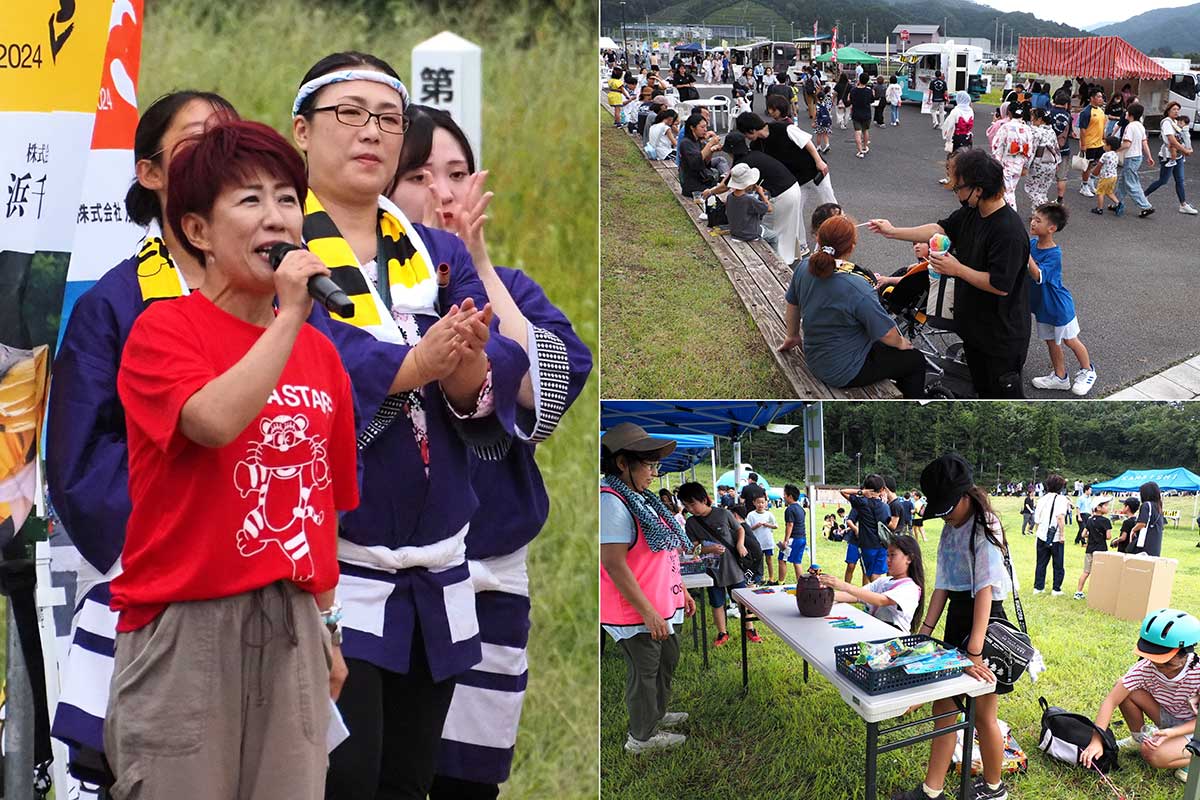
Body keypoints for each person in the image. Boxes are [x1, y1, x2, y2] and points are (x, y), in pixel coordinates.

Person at [289, 52, 528, 800]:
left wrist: (459, 367)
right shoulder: (280, 248)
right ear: (302, 130)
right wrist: (410, 365)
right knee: (339, 778)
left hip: (434, 571)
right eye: (349, 114)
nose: (372, 133)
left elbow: (500, 366)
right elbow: (303, 358)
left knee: (406, 780)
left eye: (387, 119)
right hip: (332, 572)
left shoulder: (438, 252)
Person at [103, 119, 359, 799]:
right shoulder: (163, 331)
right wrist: (287, 320)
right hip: (187, 628)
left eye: (285, 198)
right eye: (249, 200)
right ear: (197, 230)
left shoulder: (322, 355)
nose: (275, 216)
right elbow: (214, 422)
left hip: (295, 625)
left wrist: (330, 628)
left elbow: (321, 500)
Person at [389, 106, 593, 797]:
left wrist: (474, 265)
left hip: (489, 573)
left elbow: (550, 387)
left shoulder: (513, 288)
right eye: (418, 175)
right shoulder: (350, 300)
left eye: (455, 173)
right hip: (382, 579)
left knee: (468, 778)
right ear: (381, 189)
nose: (442, 194)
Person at [45, 89, 239, 789]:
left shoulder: (279, 297)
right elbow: (77, 461)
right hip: (162, 584)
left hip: (267, 587)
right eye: (194, 141)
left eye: (230, 138)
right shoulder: (115, 302)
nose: (218, 155)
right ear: (150, 174)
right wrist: (174, 536)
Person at [870, 149, 1031, 398]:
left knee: (1001, 397)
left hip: (1000, 338)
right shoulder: (973, 212)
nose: (956, 193)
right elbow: (940, 228)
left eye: (958, 188)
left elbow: (1001, 285)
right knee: (981, 389)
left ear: (978, 189)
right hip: (976, 329)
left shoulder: (1007, 231)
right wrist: (892, 231)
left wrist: (957, 269)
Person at [896, 455, 1010, 800]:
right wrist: (925, 633)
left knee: (983, 715)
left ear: (965, 496)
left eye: (948, 507)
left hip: (986, 623)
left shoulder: (985, 523)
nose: (944, 514)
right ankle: (932, 791)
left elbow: (986, 591)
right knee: (943, 707)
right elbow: (943, 587)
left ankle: (994, 788)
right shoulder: (949, 528)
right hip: (959, 620)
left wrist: (974, 651)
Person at [600, 425, 695, 754]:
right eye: (649, 464)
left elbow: (663, 552)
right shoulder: (611, 503)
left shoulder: (641, 498)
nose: (655, 473)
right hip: (638, 611)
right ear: (623, 463)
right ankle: (641, 737)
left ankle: (656, 714)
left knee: (666, 661)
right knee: (645, 673)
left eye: (657, 465)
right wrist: (647, 612)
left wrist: (680, 588)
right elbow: (613, 563)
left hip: (663, 601)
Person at [785, 214, 927, 397]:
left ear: (818, 240)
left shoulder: (804, 267)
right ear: (851, 248)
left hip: (815, 358)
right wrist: (901, 343)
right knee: (915, 361)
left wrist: (792, 335)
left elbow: (792, 303)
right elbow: (886, 334)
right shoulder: (857, 286)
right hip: (843, 372)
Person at [1080, 609, 1200, 785]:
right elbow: (1111, 700)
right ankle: (1138, 739)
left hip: (1194, 729)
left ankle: (1193, 760)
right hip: (1170, 717)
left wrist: (1172, 733)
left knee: (1153, 755)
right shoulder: (1146, 668)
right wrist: (1096, 740)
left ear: (1186, 652)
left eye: (1167, 662)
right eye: (1153, 658)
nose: (1158, 666)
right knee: (1124, 688)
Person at [735, 112, 836, 251]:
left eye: (746, 134)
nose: (746, 138)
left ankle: (838, 236)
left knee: (830, 205)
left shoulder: (783, 128)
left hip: (816, 173)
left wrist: (818, 160)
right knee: (796, 210)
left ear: (751, 129)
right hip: (797, 181)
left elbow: (806, 141)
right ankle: (801, 244)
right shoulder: (756, 145)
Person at [678, 486, 764, 646]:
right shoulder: (691, 523)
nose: (690, 509)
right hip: (712, 569)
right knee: (717, 602)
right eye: (686, 505)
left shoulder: (723, 514)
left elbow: (740, 529)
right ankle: (722, 632)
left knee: (742, 599)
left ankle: (750, 629)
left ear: (704, 499)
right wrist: (708, 549)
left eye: (692, 504)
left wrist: (740, 545)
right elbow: (692, 548)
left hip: (733, 566)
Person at [1025, 203, 1095, 396]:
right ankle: (1060, 377)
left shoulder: (1054, 254)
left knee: (1070, 340)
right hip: (1043, 307)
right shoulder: (1031, 244)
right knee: (1050, 341)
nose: (1032, 222)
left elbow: (1038, 276)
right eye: (1033, 218)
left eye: (1038, 220)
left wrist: (1025, 254)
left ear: (1051, 228)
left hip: (1059, 307)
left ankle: (1088, 371)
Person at [712, 131, 803, 263]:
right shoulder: (752, 155)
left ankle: (779, 263)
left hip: (784, 194)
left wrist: (710, 192)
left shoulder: (743, 165)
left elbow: (724, 186)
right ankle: (786, 258)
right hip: (791, 187)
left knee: (777, 230)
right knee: (785, 229)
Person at [819, 534, 925, 633]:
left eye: (893, 555)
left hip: (893, 642)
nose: (887, 560)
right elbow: (857, 596)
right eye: (887, 555)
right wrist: (823, 596)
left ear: (909, 558)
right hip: (875, 635)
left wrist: (844, 585)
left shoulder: (910, 588)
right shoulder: (883, 581)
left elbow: (881, 600)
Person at [1145, 101, 1197, 215]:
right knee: (1163, 180)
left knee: (1180, 180)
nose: (1176, 111)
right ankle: (1143, 196)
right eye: (1174, 109)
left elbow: (1181, 137)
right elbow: (1172, 140)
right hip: (1168, 156)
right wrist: (1185, 151)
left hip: (1178, 155)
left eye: (1178, 109)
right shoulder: (1167, 122)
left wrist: (1186, 149)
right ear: (1168, 111)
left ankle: (1183, 204)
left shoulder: (1175, 122)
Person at [840, 475, 893, 583]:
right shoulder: (885, 507)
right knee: (876, 575)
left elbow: (843, 491)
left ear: (865, 488)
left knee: (869, 574)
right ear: (882, 489)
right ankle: (874, 596)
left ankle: (872, 596)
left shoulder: (861, 504)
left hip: (867, 545)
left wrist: (862, 493)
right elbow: (889, 524)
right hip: (882, 545)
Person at [1114, 102, 1156, 218]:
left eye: (1127, 111)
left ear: (1130, 114)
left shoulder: (1130, 126)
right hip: (1138, 157)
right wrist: (1149, 156)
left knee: (1131, 183)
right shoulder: (1140, 126)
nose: (1125, 113)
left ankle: (1146, 206)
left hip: (1131, 157)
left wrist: (1115, 149)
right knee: (1123, 181)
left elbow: (1127, 144)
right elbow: (1144, 143)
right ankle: (1117, 202)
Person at [989, 102, 1033, 210]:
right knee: (1011, 188)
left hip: (1005, 162)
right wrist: (1026, 165)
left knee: (1006, 191)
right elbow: (1030, 149)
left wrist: (996, 162)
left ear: (1009, 113)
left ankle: (1010, 213)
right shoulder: (1027, 129)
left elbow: (996, 146)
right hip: (1019, 162)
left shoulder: (1006, 127)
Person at [1032, 473, 1071, 595]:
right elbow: (1060, 517)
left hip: (1042, 535)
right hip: (1055, 536)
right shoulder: (1062, 499)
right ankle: (1056, 588)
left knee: (1041, 563)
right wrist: (1062, 535)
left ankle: (1038, 587)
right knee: (1058, 563)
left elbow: (1036, 520)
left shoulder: (1042, 499)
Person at [1075, 496, 1113, 599]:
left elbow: (1083, 534)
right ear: (1098, 508)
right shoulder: (1106, 521)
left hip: (1090, 549)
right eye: (1105, 505)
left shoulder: (1089, 520)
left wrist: (1091, 535)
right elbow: (1108, 537)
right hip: (1101, 550)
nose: (1107, 507)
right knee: (1100, 572)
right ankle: (1097, 593)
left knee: (1086, 572)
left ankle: (1078, 591)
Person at [1024, 108, 1060, 208]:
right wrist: (1057, 162)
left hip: (1038, 164)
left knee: (1031, 189)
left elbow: (1032, 150)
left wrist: (1025, 166)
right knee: (1043, 190)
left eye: (1033, 116)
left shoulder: (1036, 132)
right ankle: (1038, 213)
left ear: (1039, 119)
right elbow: (1056, 148)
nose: (1031, 119)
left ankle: (1044, 208)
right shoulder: (1051, 131)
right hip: (1051, 163)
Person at [678, 113, 720, 197]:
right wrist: (710, 144)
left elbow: (704, 163)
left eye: (706, 127)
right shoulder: (686, 143)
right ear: (692, 127)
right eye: (702, 127)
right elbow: (695, 162)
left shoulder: (697, 141)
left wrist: (711, 151)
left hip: (701, 180)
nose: (705, 130)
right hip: (692, 185)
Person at [939, 92, 975, 183]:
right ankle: (963, 179)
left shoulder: (956, 111)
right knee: (966, 158)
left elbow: (949, 126)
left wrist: (947, 137)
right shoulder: (970, 111)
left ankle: (951, 179)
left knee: (952, 158)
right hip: (968, 137)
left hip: (957, 137)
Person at [1078, 89, 1107, 197]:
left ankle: (1090, 181)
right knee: (1088, 166)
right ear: (1092, 98)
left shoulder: (1100, 111)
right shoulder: (1086, 112)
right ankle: (1084, 186)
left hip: (1100, 143)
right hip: (1090, 143)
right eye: (1099, 97)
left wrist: (1104, 138)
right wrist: (1083, 144)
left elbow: (1102, 126)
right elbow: (1082, 129)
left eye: (1101, 97)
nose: (1101, 99)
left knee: (1099, 163)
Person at [1047, 90, 1074, 204]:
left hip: (1049, 150)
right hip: (1064, 149)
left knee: (1045, 175)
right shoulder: (1068, 116)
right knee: (1061, 177)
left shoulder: (1048, 114)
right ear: (1066, 104)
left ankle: (1042, 198)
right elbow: (1071, 134)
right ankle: (1060, 199)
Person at [746, 494, 778, 584]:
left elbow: (776, 526)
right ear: (754, 503)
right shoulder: (751, 515)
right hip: (757, 543)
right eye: (758, 502)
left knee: (769, 560)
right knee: (759, 560)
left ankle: (771, 577)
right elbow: (747, 528)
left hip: (767, 542)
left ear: (766, 503)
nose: (760, 505)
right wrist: (755, 526)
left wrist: (767, 525)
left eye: (762, 502)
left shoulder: (769, 514)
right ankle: (761, 576)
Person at [1128, 481, 1165, 557]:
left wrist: (1133, 530)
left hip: (1145, 542)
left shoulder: (1146, 505)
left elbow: (1142, 523)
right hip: (1155, 543)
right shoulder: (1159, 507)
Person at [782, 484, 807, 582]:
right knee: (797, 562)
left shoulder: (790, 509)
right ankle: (801, 584)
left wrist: (786, 541)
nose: (783, 496)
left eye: (785, 494)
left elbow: (790, 525)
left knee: (782, 559)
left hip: (794, 539)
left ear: (790, 496)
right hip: (802, 538)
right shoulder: (801, 508)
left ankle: (780, 582)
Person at [1092, 135, 1122, 215]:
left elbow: (1099, 165)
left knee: (1100, 192)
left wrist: (1094, 173)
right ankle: (1118, 203)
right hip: (1113, 176)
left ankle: (1099, 208)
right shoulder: (1116, 155)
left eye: (1105, 144)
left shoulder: (1105, 155)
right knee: (1109, 192)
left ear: (1109, 146)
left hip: (1105, 177)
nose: (1103, 145)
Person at [850, 74, 875, 157]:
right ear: (867, 81)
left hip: (856, 113)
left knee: (857, 132)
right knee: (865, 130)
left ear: (859, 79)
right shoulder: (869, 91)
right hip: (866, 113)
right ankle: (865, 147)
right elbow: (872, 100)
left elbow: (851, 100)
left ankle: (860, 151)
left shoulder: (853, 90)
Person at [814, 87, 834, 152]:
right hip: (827, 120)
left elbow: (815, 114)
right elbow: (830, 108)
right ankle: (827, 145)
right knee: (825, 134)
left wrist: (814, 122)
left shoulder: (817, 105)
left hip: (819, 121)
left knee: (819, 134)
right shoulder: (828, 102)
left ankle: (818, 146)